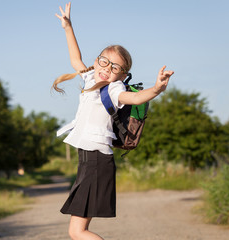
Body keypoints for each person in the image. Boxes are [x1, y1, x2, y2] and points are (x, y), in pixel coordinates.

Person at [53, 3, 174, 240]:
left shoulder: (115, 89)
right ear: (97, 62)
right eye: (104, 61)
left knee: (77, 231)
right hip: (89, 162)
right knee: (77, 231)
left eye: (115, 66)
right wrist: (68, 27)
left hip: (96, 162)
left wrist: (157, 88)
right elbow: (76, 59)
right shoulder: (91, 78)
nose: (107, 68)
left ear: (122, 74)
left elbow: (137, 97)